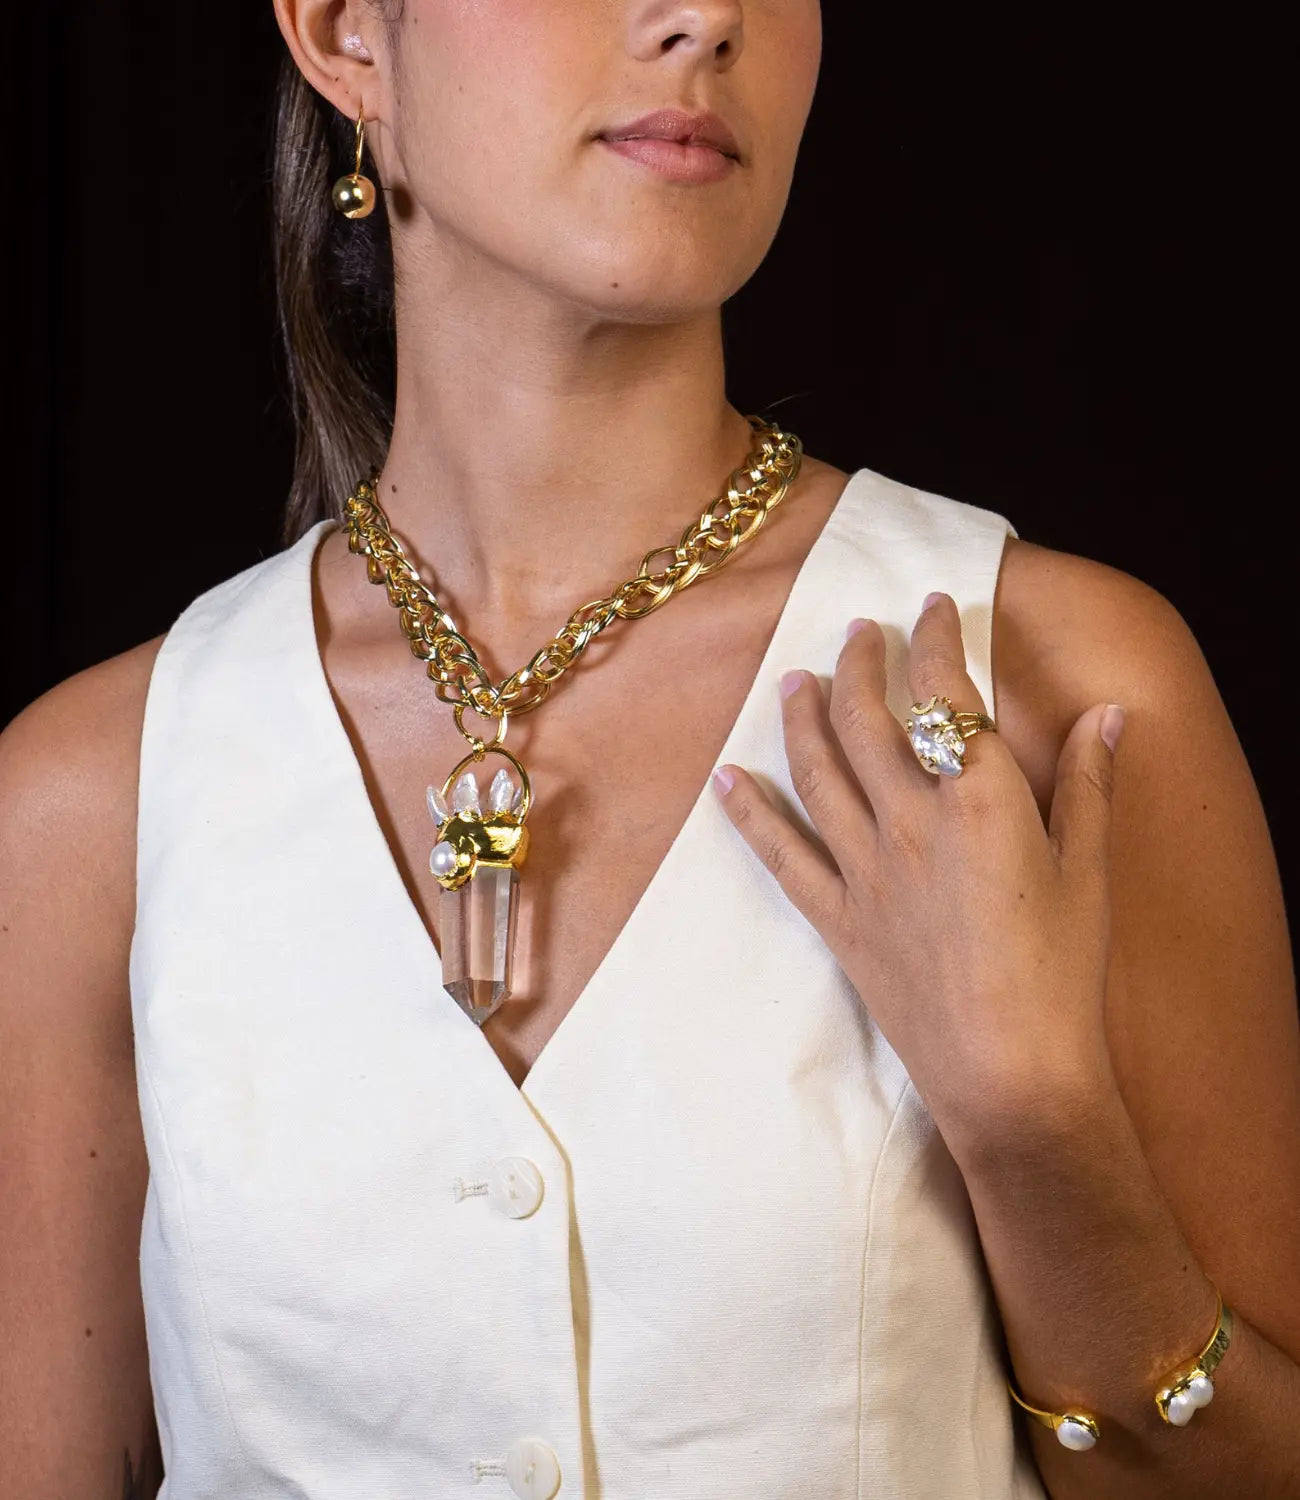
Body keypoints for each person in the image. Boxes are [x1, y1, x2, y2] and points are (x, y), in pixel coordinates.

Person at [3, 3, 1298, 1497]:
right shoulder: (95, 796)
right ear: (348, 34)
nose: (705, 16)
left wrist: (1037, 1133)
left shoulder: (1057, 691)